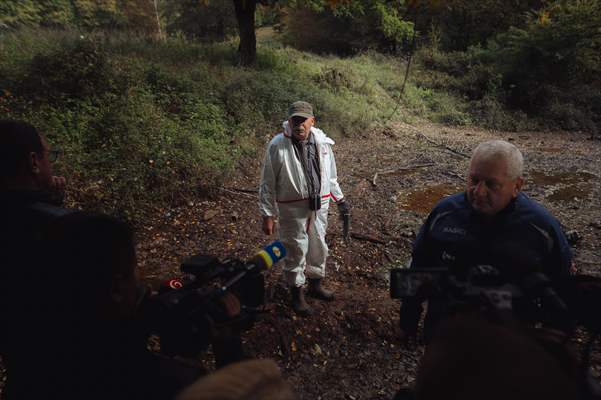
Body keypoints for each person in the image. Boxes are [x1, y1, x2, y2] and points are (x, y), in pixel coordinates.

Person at [398, 139, 573, 342]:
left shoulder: (542, 229)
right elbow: (418, 268)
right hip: (445, 334)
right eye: (474, 180)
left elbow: (562, 289)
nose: (479, 191)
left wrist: (551, 341)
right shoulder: (444, 213)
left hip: (510, 341)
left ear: (517, 186)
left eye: (492, 184)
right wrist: (407, 323)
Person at [259, 101, 349, 316]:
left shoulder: (322, 142)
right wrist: (267, 214)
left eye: (303, 120)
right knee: (295, 246)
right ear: (289, 121)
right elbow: (267, 182)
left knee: (318, 242)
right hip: (292, 207)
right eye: (295, 120)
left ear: (312, 121)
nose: (299, 124)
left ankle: (315, 284)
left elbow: (331, 175)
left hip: (320, 204)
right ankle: (296, 292)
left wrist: (341, 199)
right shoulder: (277, 145)